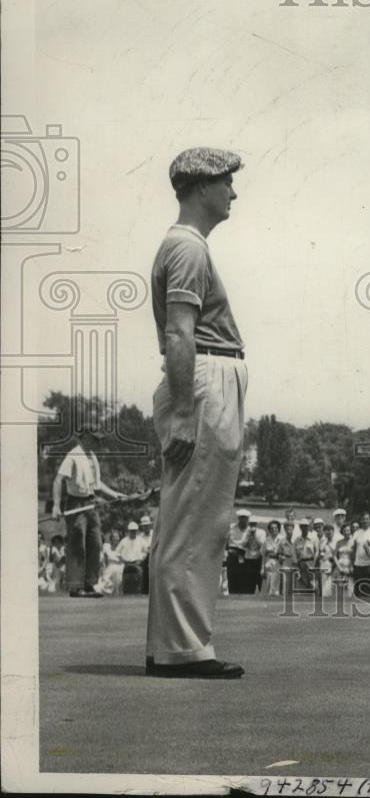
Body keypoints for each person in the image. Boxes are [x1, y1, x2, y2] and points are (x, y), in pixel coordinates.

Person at [146, 146, 248, 679]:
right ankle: (184, 650)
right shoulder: (187, 247)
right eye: (226, 182)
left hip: (203, 377)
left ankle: (170, 645)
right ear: (201, 186)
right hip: (204, 379)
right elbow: (179, 330)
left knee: (185, 519)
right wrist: (186, 411)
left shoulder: (187, 246)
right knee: (197, 523)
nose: (233, 192)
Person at [51, 422, 125, 598]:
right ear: (84, 436)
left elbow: (97, 485)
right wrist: (55, 505)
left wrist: (115, 494)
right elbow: (58, 480)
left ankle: (90, 584)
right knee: (78, 544)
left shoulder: (92, 456)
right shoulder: (73, 456)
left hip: (91, 503)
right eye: (94, 438)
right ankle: (76, 587)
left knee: (96, 542)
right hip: (76, 503)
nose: (97, 442)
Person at [226, 509, 253, 595]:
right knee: (232, 575)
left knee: (243, 576)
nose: (243, 520)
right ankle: (232, 593)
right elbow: (226, 541)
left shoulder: (250, 530)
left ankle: (242, 594)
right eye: (241, 518)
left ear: (248, 519)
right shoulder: (231, 528)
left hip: (244, 554)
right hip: (232, 553)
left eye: (245, 518)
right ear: (238, 519)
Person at [351, 513, 370, 600]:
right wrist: (352, 563)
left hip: (369, 564)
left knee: (367, 588)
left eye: (367, 519)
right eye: (363, 519)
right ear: (361, 520)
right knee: (358, 589)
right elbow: (354, 549)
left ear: (369, 520)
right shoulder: (357, 533)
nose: (365, 521)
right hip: (358, 564)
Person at [118, 521, 149, 594]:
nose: (133, 532)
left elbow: (146, 552)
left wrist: (141, 561)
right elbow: (118, 552)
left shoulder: (141, 541)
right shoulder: (124, 541)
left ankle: (138, 591)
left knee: (139, 575)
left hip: (138, 563)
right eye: (131, 531)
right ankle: (125, 592)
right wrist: (122, 560)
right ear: (129, 531)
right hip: (126, 563)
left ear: (137, 531)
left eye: (134, 531)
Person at [100, 529, 125, 595]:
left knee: (117, 576)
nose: (116, 539)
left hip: (120, 566)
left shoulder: (122, 547)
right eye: (114, 537)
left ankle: (117, 593)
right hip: (109, 567)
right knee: (105, 580)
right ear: (111, 538)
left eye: (117, 537)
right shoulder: (106, 547)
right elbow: (103, 559)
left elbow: (124, 559)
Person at [262, 520, 284, 596]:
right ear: (269, 529)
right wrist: (262, 569)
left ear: (278, 529)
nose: (274, 529)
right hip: (268, 564)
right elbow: (264, 554)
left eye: (276, 528)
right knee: (268, 586)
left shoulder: (282, 539)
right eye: (272, 528)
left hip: (278, 564)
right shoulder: (267, 540)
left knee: (275, 588)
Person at [334, 522, 354, 595]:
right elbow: (334, 556)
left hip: (349, 567)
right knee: (340, 589)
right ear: (342, 532)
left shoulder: (353, 542)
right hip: (340, 567)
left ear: (350, 531)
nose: (346, 532)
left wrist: (351, 567)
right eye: (344, 531)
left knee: (349, 589)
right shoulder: (339, 542)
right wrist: (339, 567)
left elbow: (354, 556)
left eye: (348, 530)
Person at [139, 515, 153, 594]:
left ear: (150, 525)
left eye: (147, 526)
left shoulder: (154, 534)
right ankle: (145, 591)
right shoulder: (140, 537)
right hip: (144, 559)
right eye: (144, 526)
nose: (146, 527)